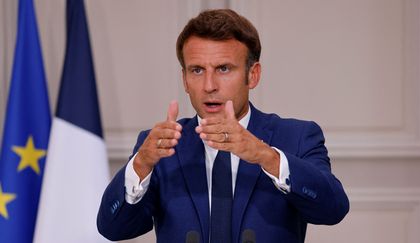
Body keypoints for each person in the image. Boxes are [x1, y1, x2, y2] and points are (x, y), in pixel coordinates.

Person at [97, 9, 349, 243]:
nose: (209, 85)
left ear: (253, 75)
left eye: (223, 68)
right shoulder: (160, 146)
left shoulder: (296, 137)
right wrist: (141, 164)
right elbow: (113, 229)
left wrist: (266, 156)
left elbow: (333, 209)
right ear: (184, 79)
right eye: (196, 70)